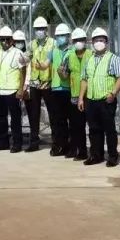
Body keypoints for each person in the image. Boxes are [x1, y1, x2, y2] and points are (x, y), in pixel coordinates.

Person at [79, 27, 120, 167]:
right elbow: (84, 79)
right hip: (91, 100)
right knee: (93, 129)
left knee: (109, 130)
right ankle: (96, 155)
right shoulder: (89, 60)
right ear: (92, 42)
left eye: (101, 40)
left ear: (107, 42)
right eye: (96, 40)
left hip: (106, 100)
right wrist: (81, 98)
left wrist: (113, 93)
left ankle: (112, 156)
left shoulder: (114, 59)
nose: (99, 42)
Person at [0, 26, 28, 151]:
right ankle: (3, 142)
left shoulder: (18, 53)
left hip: (12, 91)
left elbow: (23, 71)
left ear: (12, 40)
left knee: (15, 119)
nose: (5, 42)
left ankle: (17, 143)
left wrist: (20, 89)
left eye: (7, 39)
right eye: (2, 39)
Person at [25, 17, 54, 154]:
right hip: (34, 83)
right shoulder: (32, 44)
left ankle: (56, 141)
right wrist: (22, 58)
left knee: (53, 113)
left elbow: (53, 59)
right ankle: (34, 142)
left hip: (48, 82)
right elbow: (27, 56)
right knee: (33, 114)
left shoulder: (53, 43)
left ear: (46, 30)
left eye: (42, 29)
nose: (39, 31)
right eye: (37, 29)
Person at [47, 23, 73, 157]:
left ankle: (70, 147)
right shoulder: (53, 51)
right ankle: (59, 146)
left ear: (68, 36)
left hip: (69, 89)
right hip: (56, 89)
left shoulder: (72, 52)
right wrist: (38, 65)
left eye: (63, 35)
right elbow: (45, 64)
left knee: (70, 120)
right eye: (58, 36)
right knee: (58, 121)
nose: (60, 38)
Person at [65, 28, 90, 161]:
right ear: (72, 41)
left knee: (93, 126)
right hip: (75, 95)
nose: (79, 42)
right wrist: (61, 72)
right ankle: (81, 151)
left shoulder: (91, 54)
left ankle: (96, 152)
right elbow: (65, 74)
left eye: (81, 40)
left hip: (90, 95)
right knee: (77, 126)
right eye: (76, 40)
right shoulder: (69, 56)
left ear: (85, 40)